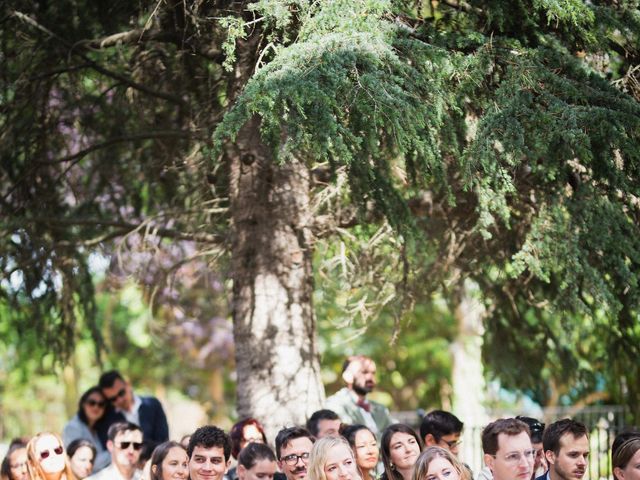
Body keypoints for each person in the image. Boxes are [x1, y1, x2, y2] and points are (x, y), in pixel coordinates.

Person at [325, 356, 393, 437]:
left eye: (373, 373)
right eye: (364, 372)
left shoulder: (381, 408)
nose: (370, 377)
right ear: (348, 377)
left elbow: (395, 434)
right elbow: (349, 436)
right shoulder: (335, 404)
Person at [98, 370, 169, 447]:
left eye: (121, 393)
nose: (119, 400)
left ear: (128, 385)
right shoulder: (109, 419)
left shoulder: (152, 405)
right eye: (113, 399)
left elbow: (163, 440)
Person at [63, 387, 110, 472]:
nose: (96, 407)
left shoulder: (96, 429)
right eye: (92, 403)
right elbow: (86, 464)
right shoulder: (73, 428)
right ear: (83, 404)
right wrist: (115, 451)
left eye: (101, 404)